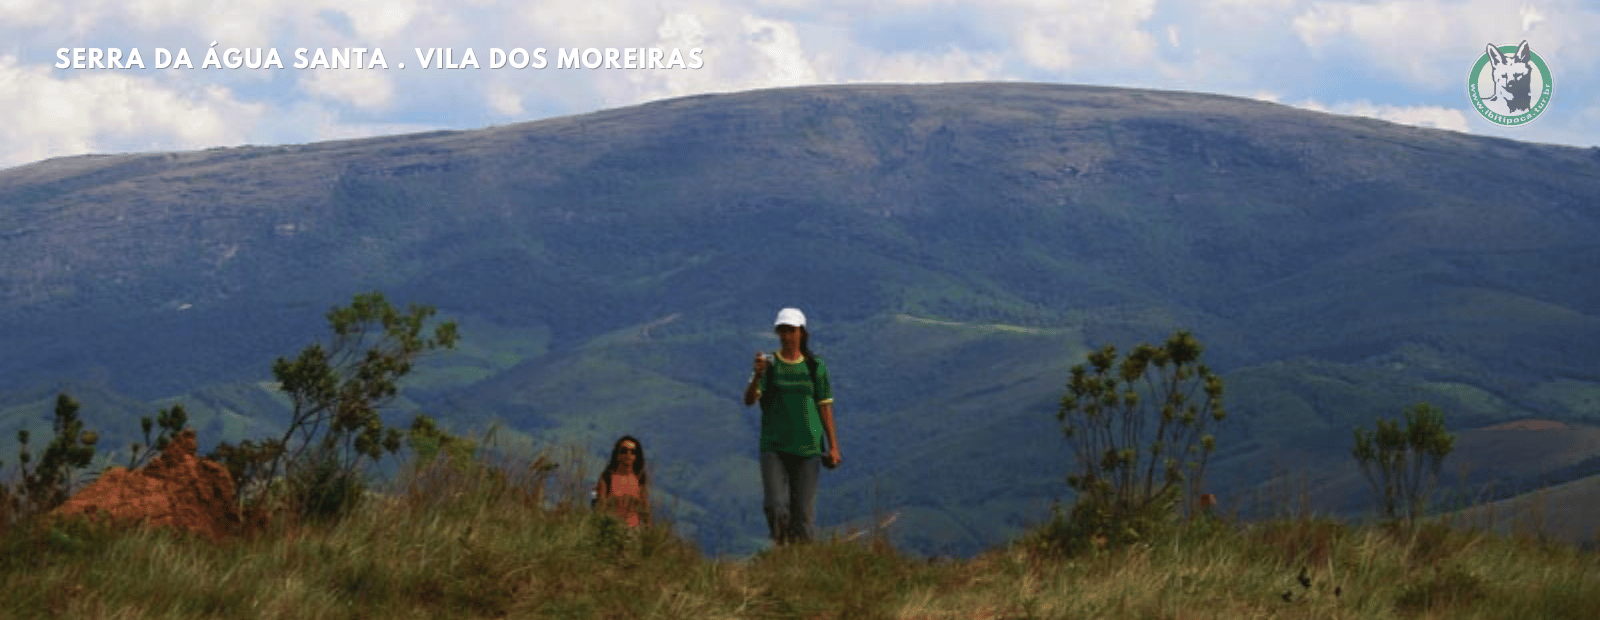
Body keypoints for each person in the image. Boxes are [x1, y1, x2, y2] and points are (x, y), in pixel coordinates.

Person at [742, 307, 841, 544]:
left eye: (791, 330)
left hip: (808, 448)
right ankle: (783, 548)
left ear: (802, 332)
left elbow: (824, 407)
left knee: (803, 515)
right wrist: (757, 375)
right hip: (774, 446)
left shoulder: (816, 367)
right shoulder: (769, 365)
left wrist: (833, 446)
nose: (787, 335)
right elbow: (749, 400)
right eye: (782, 330)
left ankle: (801, 565)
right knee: (775, 506)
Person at [594, 435, 650, 528]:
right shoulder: (607, 478)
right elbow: (599, 507)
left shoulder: (640, 480)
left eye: (633, 452)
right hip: (611, 530)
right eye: (624, 451)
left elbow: (645, 511)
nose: (628, 455)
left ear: (636, 456)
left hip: (633, 532)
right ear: (617, 455)